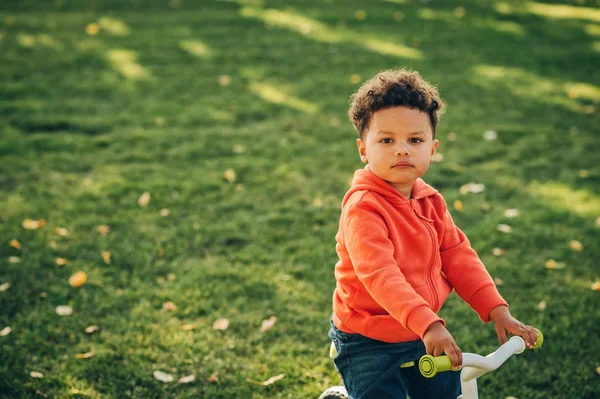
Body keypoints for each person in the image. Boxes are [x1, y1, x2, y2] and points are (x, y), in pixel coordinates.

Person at [328, 68, 539, 399]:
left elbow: (458, 256)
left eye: (415, 140)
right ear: (363, 149)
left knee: (444, 392)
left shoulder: (430, 202)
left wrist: (497, 309)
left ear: (433, 148)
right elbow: (381, 275)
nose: (402, 150)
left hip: (420, 329)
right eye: (386, 140)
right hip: (368, 339)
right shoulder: (363, 208)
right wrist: (429, 323)